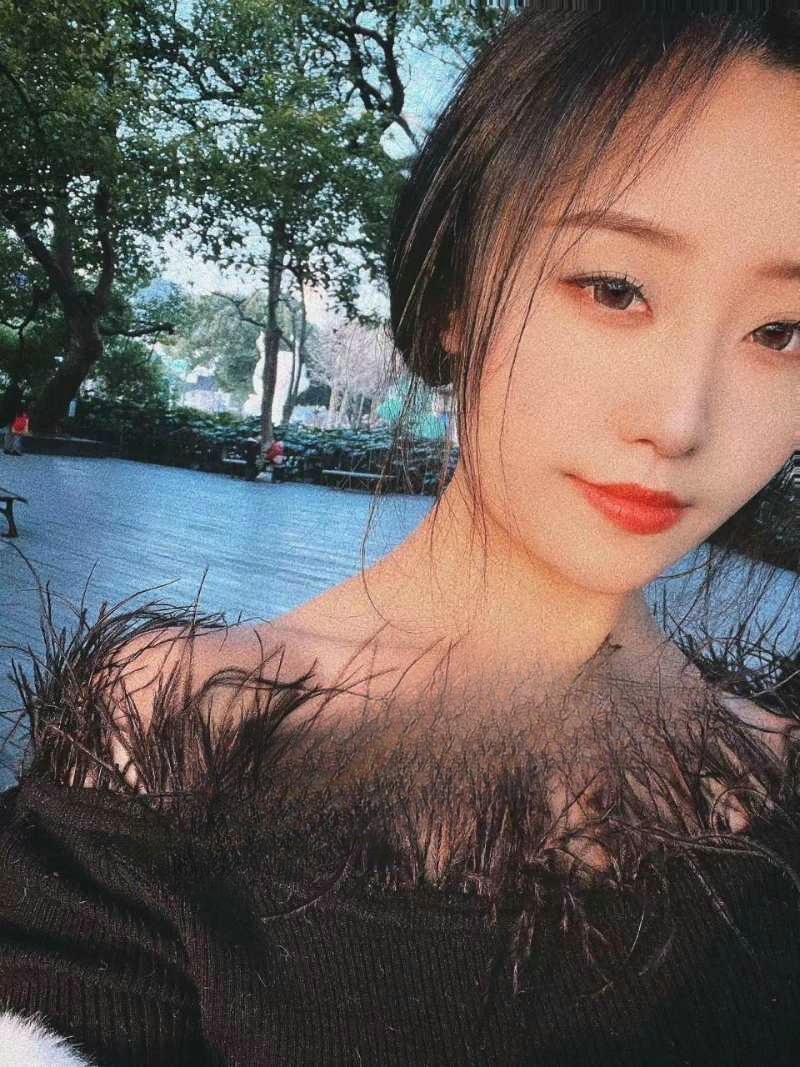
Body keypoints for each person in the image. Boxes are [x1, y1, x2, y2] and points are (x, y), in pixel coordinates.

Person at [1, 10, 800, 1064]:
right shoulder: (174, 744)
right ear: (455, 290)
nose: (681, 421)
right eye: (614, 289)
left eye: (780, 331)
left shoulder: (775, 786)